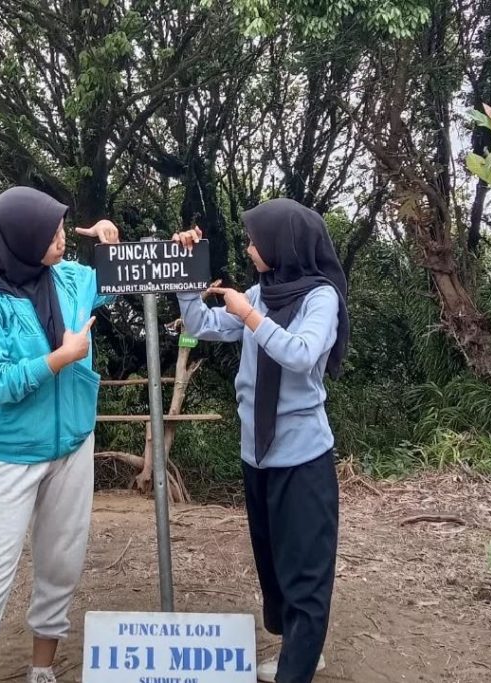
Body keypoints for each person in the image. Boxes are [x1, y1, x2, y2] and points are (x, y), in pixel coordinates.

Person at [0, 186, 119, 683]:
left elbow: (116, 281)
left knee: (61, 565)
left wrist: (109, 243)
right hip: (12, 455)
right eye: (50, 232)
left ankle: (42, 669)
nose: (60, 238)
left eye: (60, 228)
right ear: (17, 241)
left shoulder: (70, 279)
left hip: (74, 444)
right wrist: (61, 358)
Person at [172, 198, 349, 683]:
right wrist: (190, 282)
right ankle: (300, 646)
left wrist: (250, 315)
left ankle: (298, 667)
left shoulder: (320, 298)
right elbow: (202, 326)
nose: (249, 247)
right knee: (272, 562)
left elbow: (301, 353)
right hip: (256, 453)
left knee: (305, 570)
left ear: (282, 245)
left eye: (255, 240)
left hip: (302, 457)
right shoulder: (262, 290)